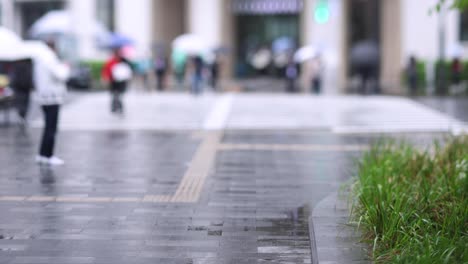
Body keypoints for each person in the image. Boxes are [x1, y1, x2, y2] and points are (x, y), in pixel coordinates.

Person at [34, 41, 70, 166]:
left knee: (47, 127)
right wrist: (65, 66)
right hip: (52, 97)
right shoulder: (49, 58)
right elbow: (61, 75)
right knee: (51, 128)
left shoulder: (40, 59)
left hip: (44, 97)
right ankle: (48, 155)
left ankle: (42, 154)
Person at [102, 48, 133, 114]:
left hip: (122, 81)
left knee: (120, 95)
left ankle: (119, 107)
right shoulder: (111, 61)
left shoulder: (124, 61)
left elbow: (128, 70)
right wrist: (106, 77)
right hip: (113, 81)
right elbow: (106, 70)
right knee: (114, 94)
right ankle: (114, 107)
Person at [10, 58, 34, 123]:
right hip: (25, 87)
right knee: (25, 102)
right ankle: (22, 116)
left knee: (20, 102)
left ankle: (21, 116)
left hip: (19, 87)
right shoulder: (29, 64)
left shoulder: (16, 64)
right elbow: (30, 76)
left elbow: (14, 76)